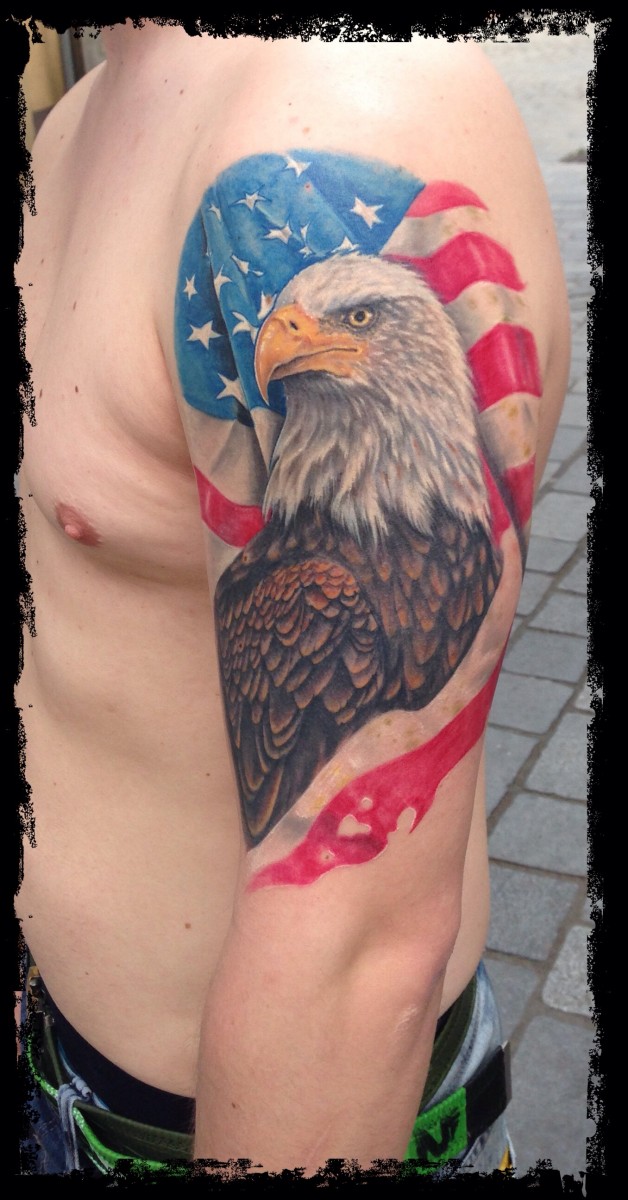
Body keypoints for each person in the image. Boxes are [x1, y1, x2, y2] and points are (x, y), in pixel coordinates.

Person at [16, 22, 569, 1178]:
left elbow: (357, 952)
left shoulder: (343, 97)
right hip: (62, 1068)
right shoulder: (80, 120)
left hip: (248, 1134)